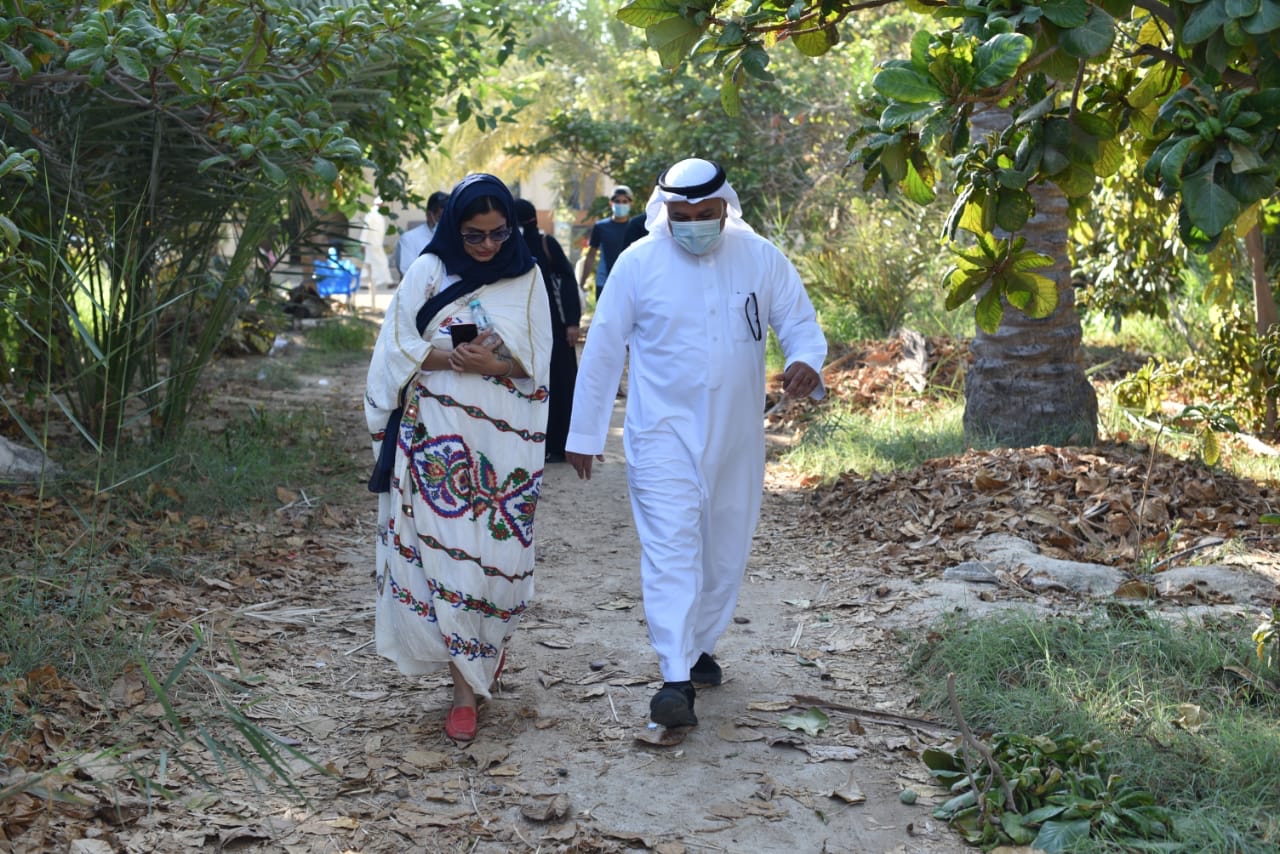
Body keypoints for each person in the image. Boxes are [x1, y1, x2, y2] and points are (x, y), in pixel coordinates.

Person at [564, 158, 827, 729]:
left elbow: (798, 321)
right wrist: (584, 432)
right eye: (681, 217)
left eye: (705, 214)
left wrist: (805, 360)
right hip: (662, 434)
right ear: (665, 213)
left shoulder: (759, 257)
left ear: (725, 206)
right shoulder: (638, 263)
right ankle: (674, 678)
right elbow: (604, 348)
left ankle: (699, 644)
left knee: (724, 547)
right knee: (670, 547)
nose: (693, 225)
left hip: (737, 435)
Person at [365, 174, 552, 742]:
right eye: (474, 235)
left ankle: (486, 646)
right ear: (452, 228)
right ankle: (464, 689)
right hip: (437, 444)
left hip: (504, 447)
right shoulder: (428, 271)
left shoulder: (526, 277)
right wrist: (451, 359)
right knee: (449, 560)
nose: (488, 246)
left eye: (498, 234)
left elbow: (539, 362)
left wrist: (494, 365)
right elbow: (396, 348)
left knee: (496, 561)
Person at [514, 198, 580, 463]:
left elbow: (567, 281)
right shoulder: (505, 248)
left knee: (560, 384)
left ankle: (561, 444)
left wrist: (572, 322)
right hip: (522, 329)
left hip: (555, 327)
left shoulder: (545, 244)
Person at [577, 185, 632, 299]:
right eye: (617, 201)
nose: (621, 204)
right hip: (604, 283)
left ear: (631, 204)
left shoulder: (635, 227)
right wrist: (581, 283)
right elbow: (591, 255)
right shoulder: (601, 227)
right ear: (611, 203)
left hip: (629, 283)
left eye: (624, 201)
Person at [391, 190, 450, 281]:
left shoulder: (455, 238)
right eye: (440, 217)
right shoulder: (409, 240)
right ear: (429, 215)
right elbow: (409, 275)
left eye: (448, 217)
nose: (445, 222)